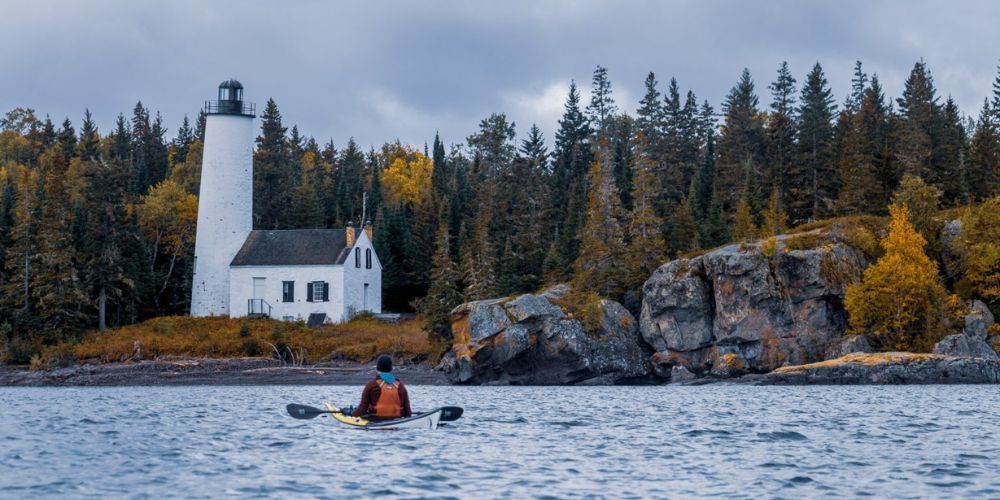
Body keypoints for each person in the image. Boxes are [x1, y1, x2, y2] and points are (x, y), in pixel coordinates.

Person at [350, 355, 412, 419]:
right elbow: (408, 412)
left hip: (375, 420)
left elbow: (362, 409)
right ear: (390, 368)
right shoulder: (400, 385)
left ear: (377, 368)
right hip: (396, 420)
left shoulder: (371, 385)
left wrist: (351, 415)